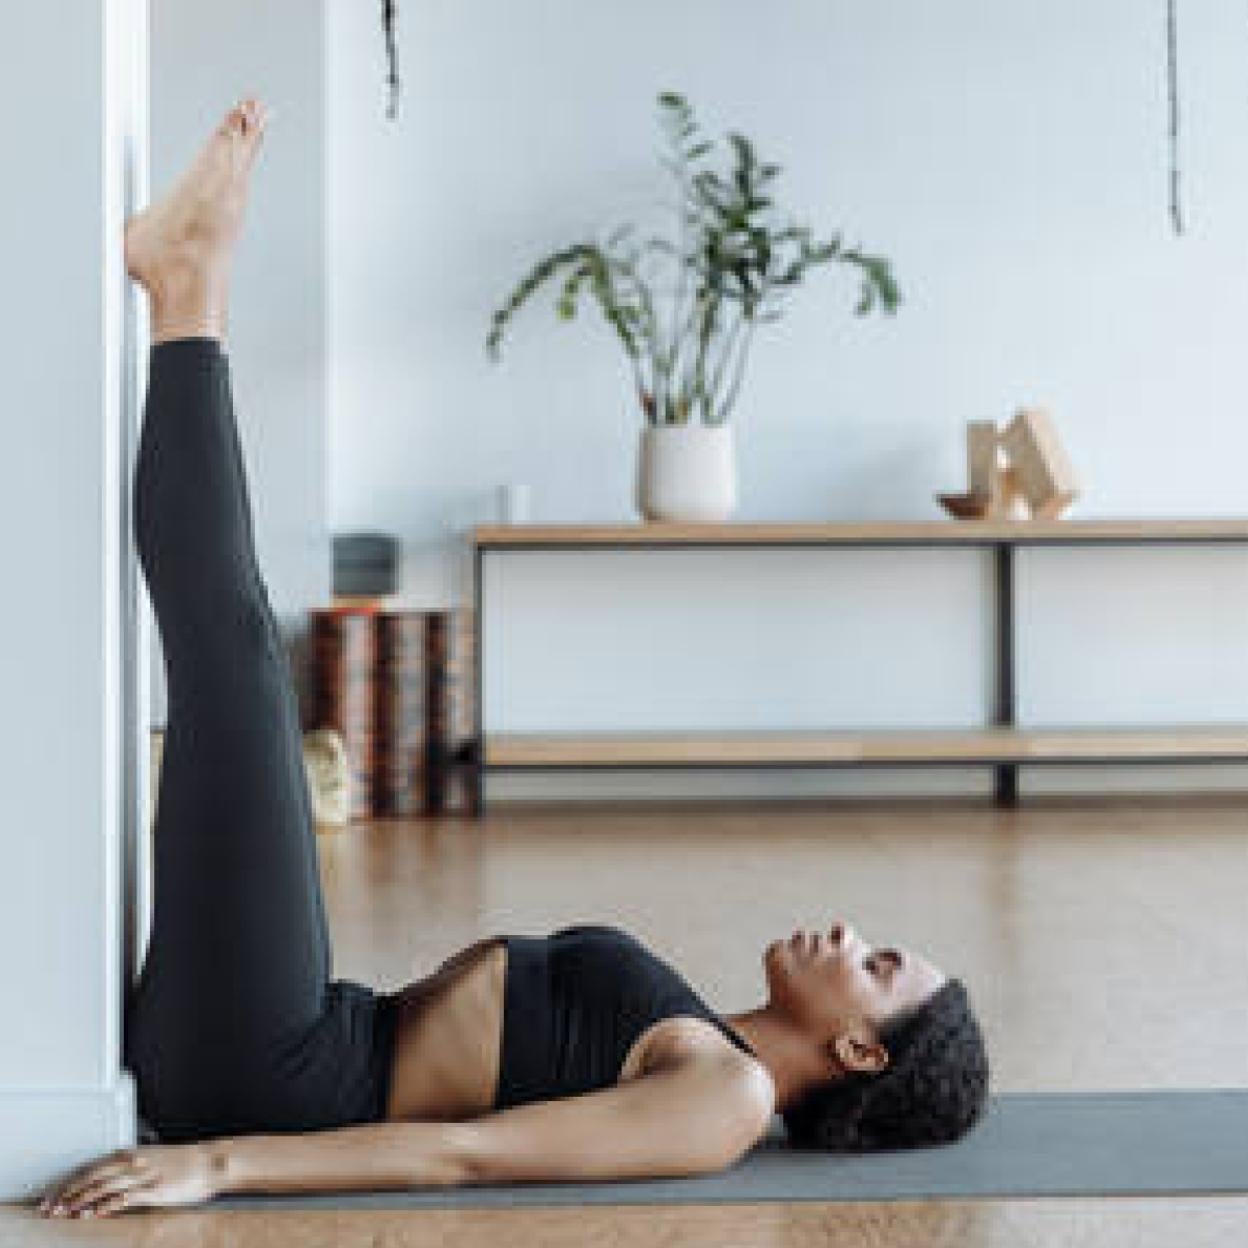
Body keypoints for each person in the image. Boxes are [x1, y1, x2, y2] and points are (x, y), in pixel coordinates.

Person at [38, 100, 988, 1220]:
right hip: (300, 1032)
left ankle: (189, 287)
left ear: (861, 1054)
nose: (849, 937)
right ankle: (189, 286)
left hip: (273, 1075)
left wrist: (223, 1165)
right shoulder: (708, 1039)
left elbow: (466, 1158)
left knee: (236, 647)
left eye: (877, 970)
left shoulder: (724, 1100)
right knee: (232, 657)